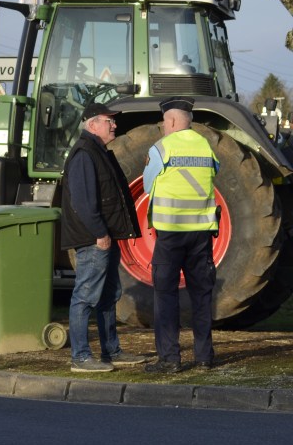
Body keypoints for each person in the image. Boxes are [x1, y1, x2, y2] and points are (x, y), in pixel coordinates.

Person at [60, 103, 146, 372]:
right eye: (109, 121)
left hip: (105, 237)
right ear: (92, 124)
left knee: (109, 294)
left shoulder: (98, 152)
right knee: (85, 296)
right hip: (94, 240)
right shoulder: (84, 154)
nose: (114, 125)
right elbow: (83, 202)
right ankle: (80, 357)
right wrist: (100, 233)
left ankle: (111, 351)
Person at [142, 97, 219, 373]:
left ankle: (170, 359)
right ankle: (204, 357)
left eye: (164, 121)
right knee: (202, 296)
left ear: (172, 120)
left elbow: (147, 185)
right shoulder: (205, 145)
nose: (163, 126)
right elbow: (214, 173)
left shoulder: (162, 148)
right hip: (201, 234)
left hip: (171, 235)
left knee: (165, 296)